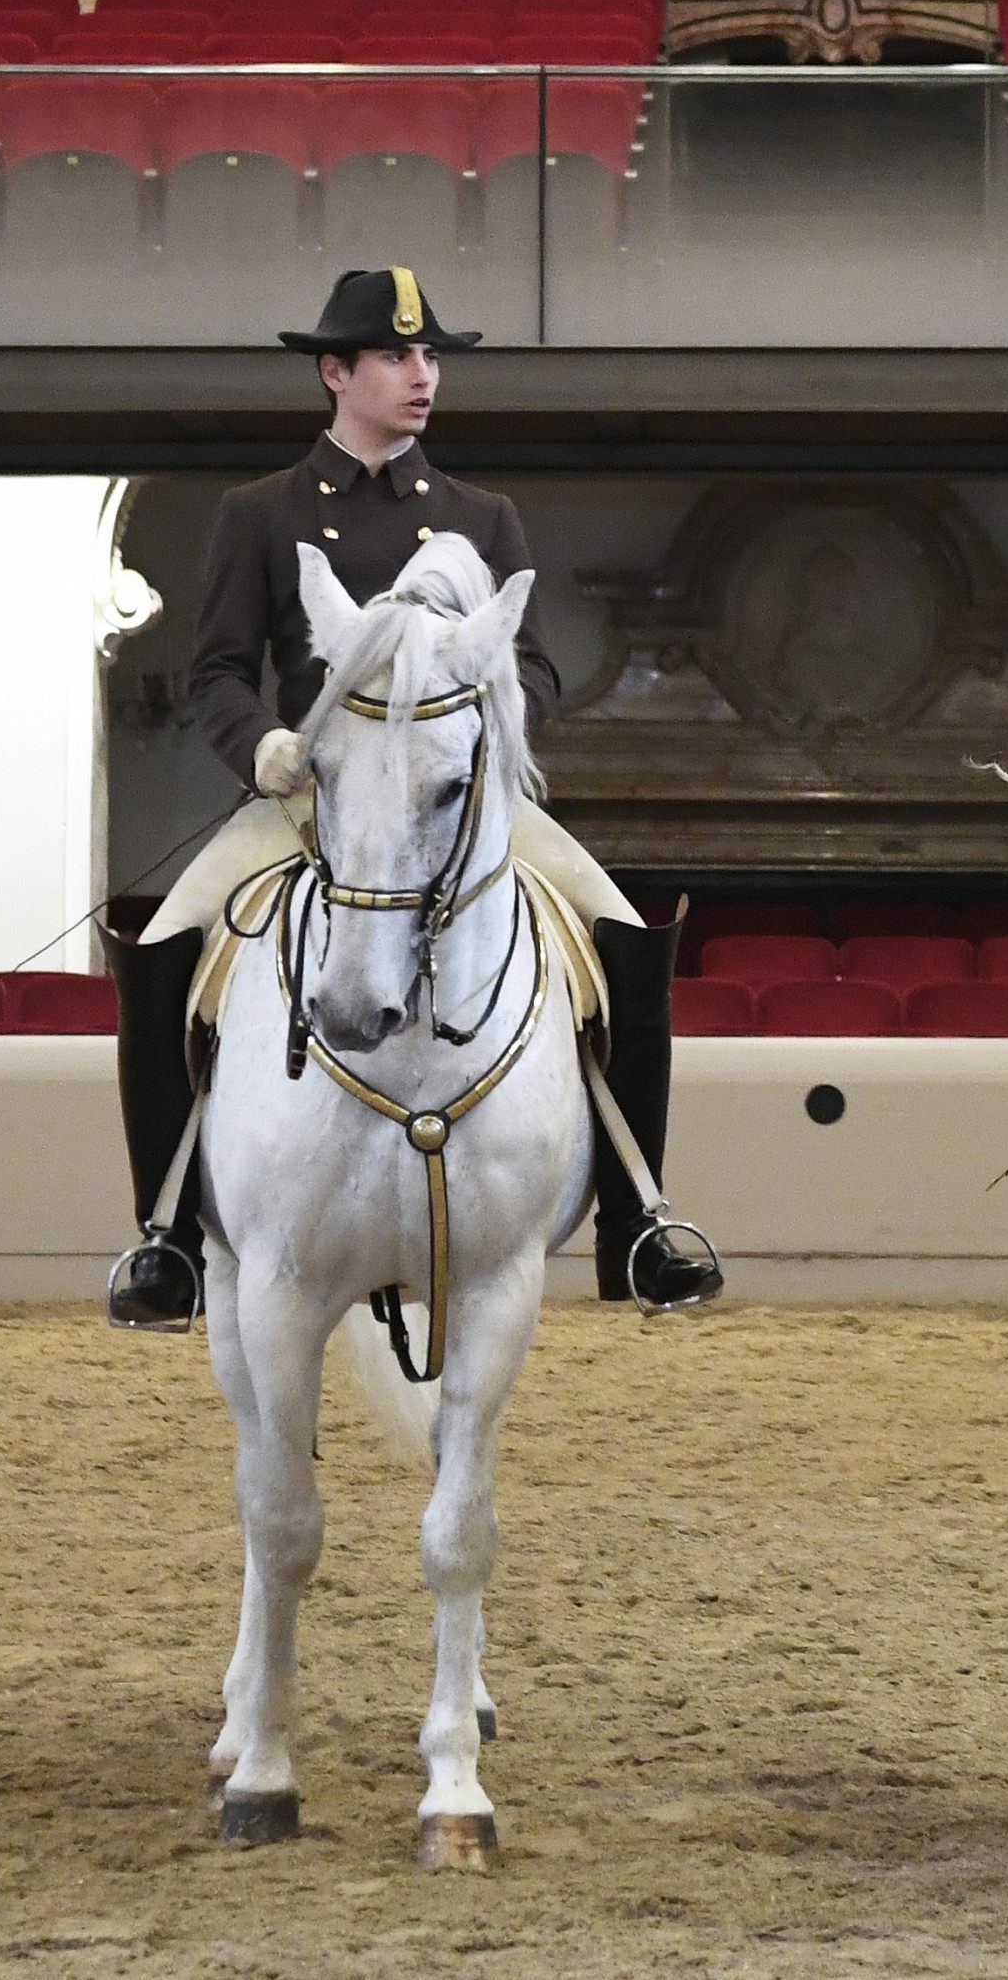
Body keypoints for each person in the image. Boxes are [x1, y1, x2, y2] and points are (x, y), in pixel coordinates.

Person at [106, 265, 722, 1328]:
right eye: (396, 356)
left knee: (625, 936)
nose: (422, 375)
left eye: (429, 355)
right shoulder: (262, 513)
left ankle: (638, 1219)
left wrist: (484, 729)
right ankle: (167, 1239)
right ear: (335, 372)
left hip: (455, 802)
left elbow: (535, 668)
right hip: (309, 803)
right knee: (162, 951)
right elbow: (216, 672)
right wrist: (262, 747)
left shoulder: (483, 517)